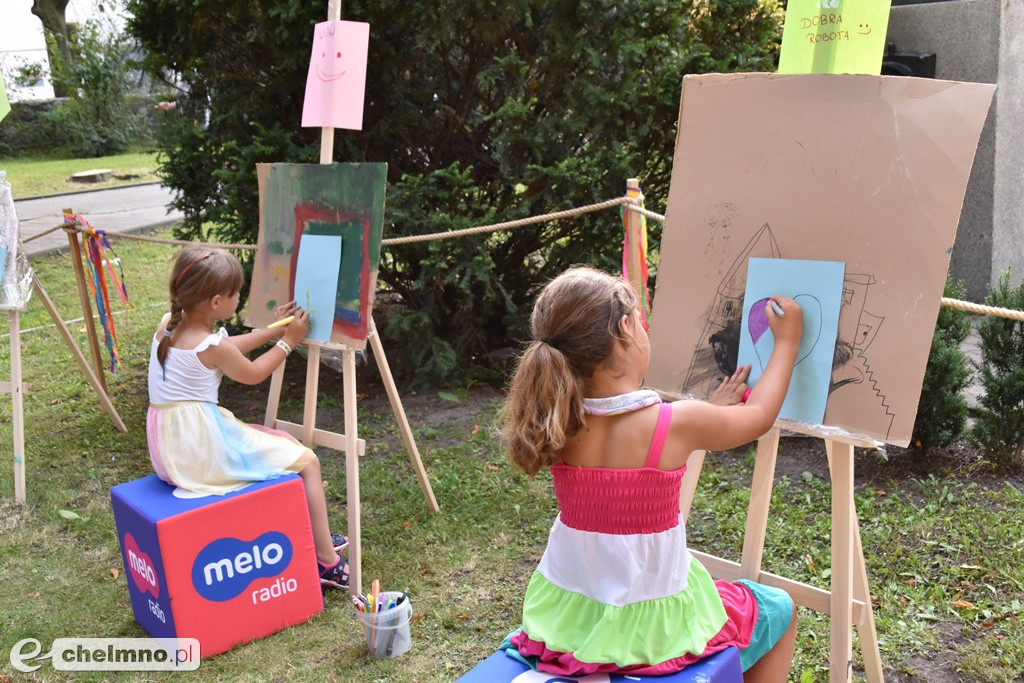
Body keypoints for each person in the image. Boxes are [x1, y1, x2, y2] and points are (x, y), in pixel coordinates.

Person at [502, 267, 802, 681]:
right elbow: (758, 415)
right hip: (653, 629)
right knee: (777, 608)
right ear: (626, 328)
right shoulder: (675, 423)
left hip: (568, 621)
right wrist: (787, 341)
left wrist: (709, 408)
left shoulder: (559, 422)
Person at [147, 245, 349, 591]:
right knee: (308, 462)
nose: (239, 297)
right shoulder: (210, 344)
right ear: (215, 302)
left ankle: (315, 534)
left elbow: (228, 347)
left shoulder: (170, 324)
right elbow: (253, 373)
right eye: (235, 293)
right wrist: (288, 343)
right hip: (200, 452)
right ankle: (326, 561)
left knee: (283, 442)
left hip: (170, 449)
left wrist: (276, 330)